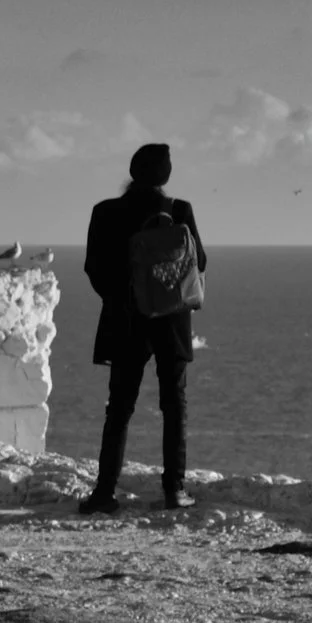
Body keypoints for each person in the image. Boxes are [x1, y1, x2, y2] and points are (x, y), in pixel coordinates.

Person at [80, 142, 206, 514]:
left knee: (119, 408)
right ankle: (174, 490)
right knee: (174, 405)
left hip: (125, 320)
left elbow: (94, 267)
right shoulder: (178, 210)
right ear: (165, 176)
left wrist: (121, 298)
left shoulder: (105, 212)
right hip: (171, 320)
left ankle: (104, 493)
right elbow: (200, 260)